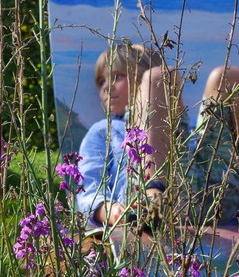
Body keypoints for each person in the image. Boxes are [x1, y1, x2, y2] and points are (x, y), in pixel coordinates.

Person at [77, 43, 239, 229]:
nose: (106, 87)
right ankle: (152, 193)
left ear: (140, 77)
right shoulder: (103, 131)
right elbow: (88, 188)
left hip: (210, 194)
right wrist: (110, 211)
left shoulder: (184, 125)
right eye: (101, 82)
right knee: (159, 77)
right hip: (148, 200)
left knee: (226, 78)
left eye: (117, 77)